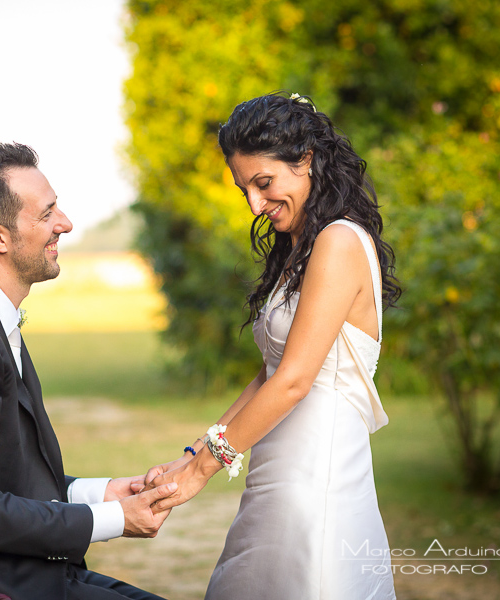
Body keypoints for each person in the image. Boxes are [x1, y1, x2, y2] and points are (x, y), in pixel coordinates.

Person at [144, 92, 401, 599]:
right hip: (278, 476)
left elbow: (294, 380)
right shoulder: (301, 249)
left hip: (317, 485)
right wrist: (194, 450)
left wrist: (202, 471)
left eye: (264, 184)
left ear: (305, 159)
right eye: (245, 190)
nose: (255, 205)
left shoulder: (339, 243)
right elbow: (269, 372)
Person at [0, 142, 176, 600]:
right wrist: (118, 521)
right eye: (46, 214)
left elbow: (10, 479)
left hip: (39, 570)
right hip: (5, 585)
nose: (65, 224)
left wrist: (105, 493)